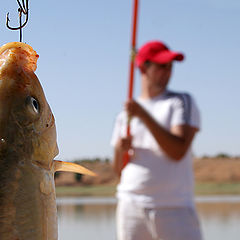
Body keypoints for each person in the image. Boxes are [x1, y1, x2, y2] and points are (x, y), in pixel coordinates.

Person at [110, 40, 203, 240]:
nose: (168, 71)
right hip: (130, 204)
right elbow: (118, 170)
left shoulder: (180, 102)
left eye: (170, 66)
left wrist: (144, 116)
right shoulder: (125, 114)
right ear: (144, 67)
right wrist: (119, 150)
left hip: (174, 207)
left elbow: (178, 151)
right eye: (162, 66)